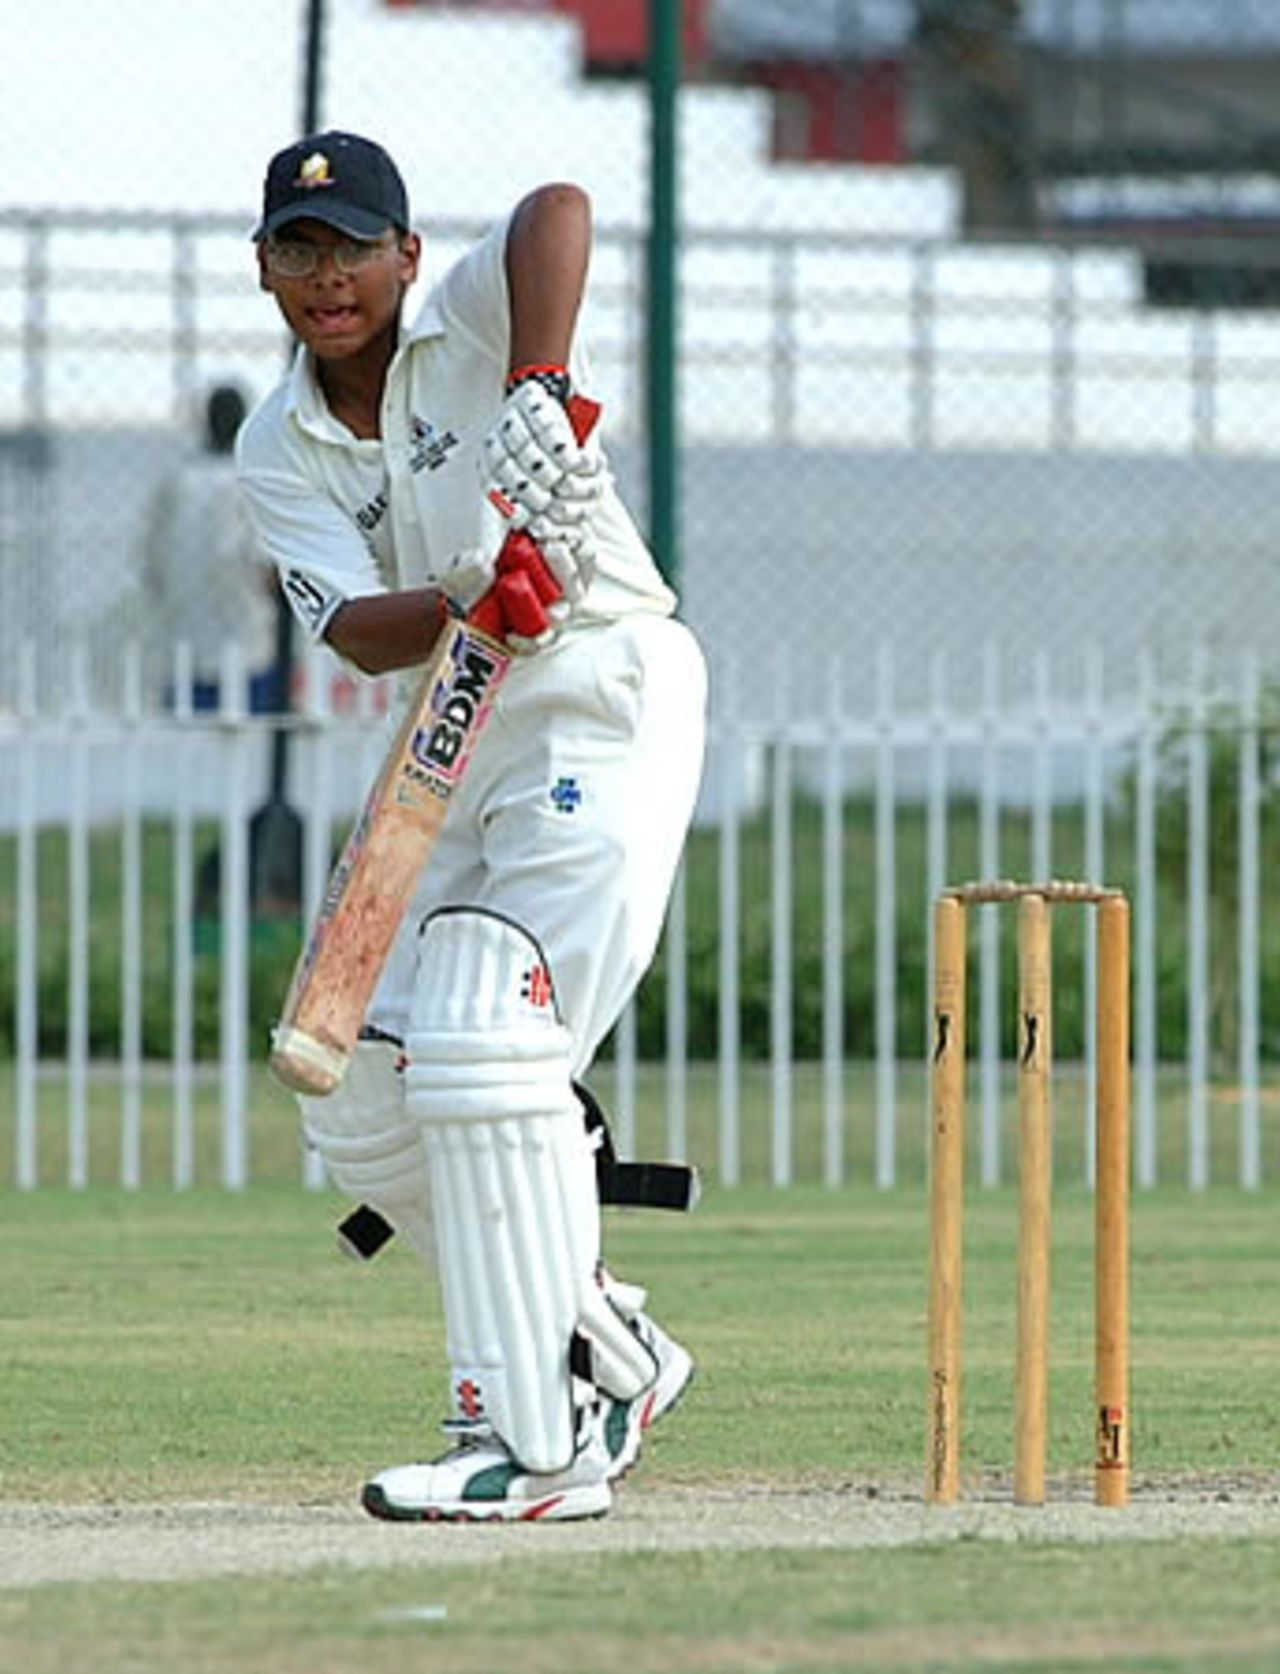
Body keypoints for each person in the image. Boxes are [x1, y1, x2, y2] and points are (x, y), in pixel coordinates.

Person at [235, 131, 708, 1523]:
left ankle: (540, 1441)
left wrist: (542, 389)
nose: (329, 280)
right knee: (367, 1096)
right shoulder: (281, 443)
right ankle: (598, 1342)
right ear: (265, 268)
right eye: (298, 252)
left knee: (491, 1037)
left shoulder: (468, 325)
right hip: (457, 701)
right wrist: (462, 592)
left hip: (600, 676)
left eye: (354, 249)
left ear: (406, 257)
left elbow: (556, 206)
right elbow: (354, 631)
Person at [144, 382, 278, 711]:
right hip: (248, 647)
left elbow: (152, 562)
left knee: (189, 744)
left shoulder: (177, 482)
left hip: (185, 642)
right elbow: (267, 566)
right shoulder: (252, 479)